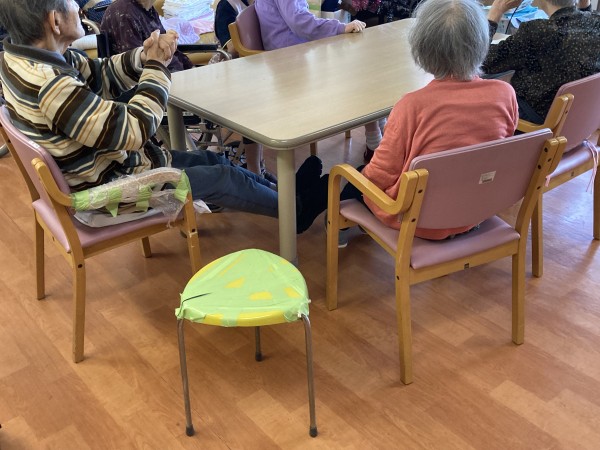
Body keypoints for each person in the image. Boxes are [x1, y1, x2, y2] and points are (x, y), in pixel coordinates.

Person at [0, 0, 328, 234]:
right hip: (109, 191)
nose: (78, 7)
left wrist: (143, 56)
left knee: (215, 161)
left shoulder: (24, 60)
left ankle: (288, 199)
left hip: (108, 166)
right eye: (71, 2)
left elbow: (100, 73)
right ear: (55, 21)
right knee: (223, 178)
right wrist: (157, 67)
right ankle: (295, 214)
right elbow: (135, 130)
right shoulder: (53, 86)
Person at [339, 0, 518, 244]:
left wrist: (360, 177)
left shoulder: (412, 105)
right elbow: (501, 150)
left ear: (421, 49)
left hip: (418, 220)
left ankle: (337, 229)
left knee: (347, 180)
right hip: (477, 210)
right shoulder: (505, 94)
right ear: (482, 42)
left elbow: (380, 175)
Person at [255, 0, 383, 161]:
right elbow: (299, 22)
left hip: (294, 53)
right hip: (289, 60)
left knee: (359, 68)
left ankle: (379, 132)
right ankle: (376, 141)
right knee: (358, 72)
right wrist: (339, 27)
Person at [483, 0, 600, 124]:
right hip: (577, 119)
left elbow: (482, 60)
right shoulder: (596, 23)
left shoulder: (536, 31)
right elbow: (581, 23)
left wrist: (496, 11)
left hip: (536, 120)